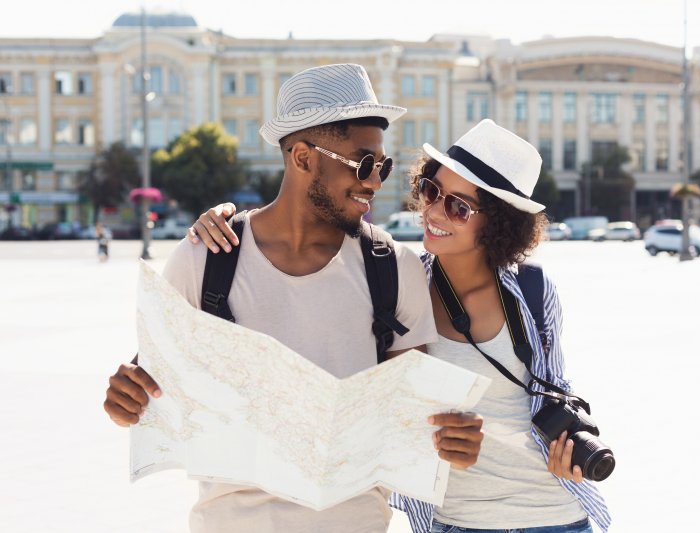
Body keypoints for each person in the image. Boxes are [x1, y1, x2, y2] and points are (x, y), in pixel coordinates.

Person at [102, 64, 484, 533]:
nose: (375, 182)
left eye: (381, 166)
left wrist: (452, 440)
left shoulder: (392, 266)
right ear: (303, 158)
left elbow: (413, 417)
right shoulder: (207, 259)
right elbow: (154, 379)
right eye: (363, 164)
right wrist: (128, 399)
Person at [193, 119, 612, 533]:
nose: (433, 211)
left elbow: (554, 387)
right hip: (453, 522)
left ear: (498, 222)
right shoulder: (394, 281)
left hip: (554, 517)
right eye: (432, 191)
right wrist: (230, 222)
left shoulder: (534, 291)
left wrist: (570, 449)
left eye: (458, 206)